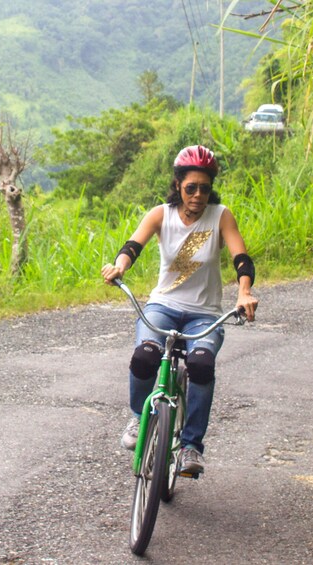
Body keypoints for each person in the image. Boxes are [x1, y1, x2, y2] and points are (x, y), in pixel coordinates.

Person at [101, 145, 258, 475]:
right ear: (177, 186)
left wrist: (244, 292)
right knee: (145, 356)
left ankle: (191, 447)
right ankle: (137, 417)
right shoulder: (161, 214)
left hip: (205, 314)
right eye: (191, 188)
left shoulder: (221, 216)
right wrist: (120, 267)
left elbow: (240, 258)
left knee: (201, 365)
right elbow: (132, 246)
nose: (198, 195)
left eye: (205, 188)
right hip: (163, 306)